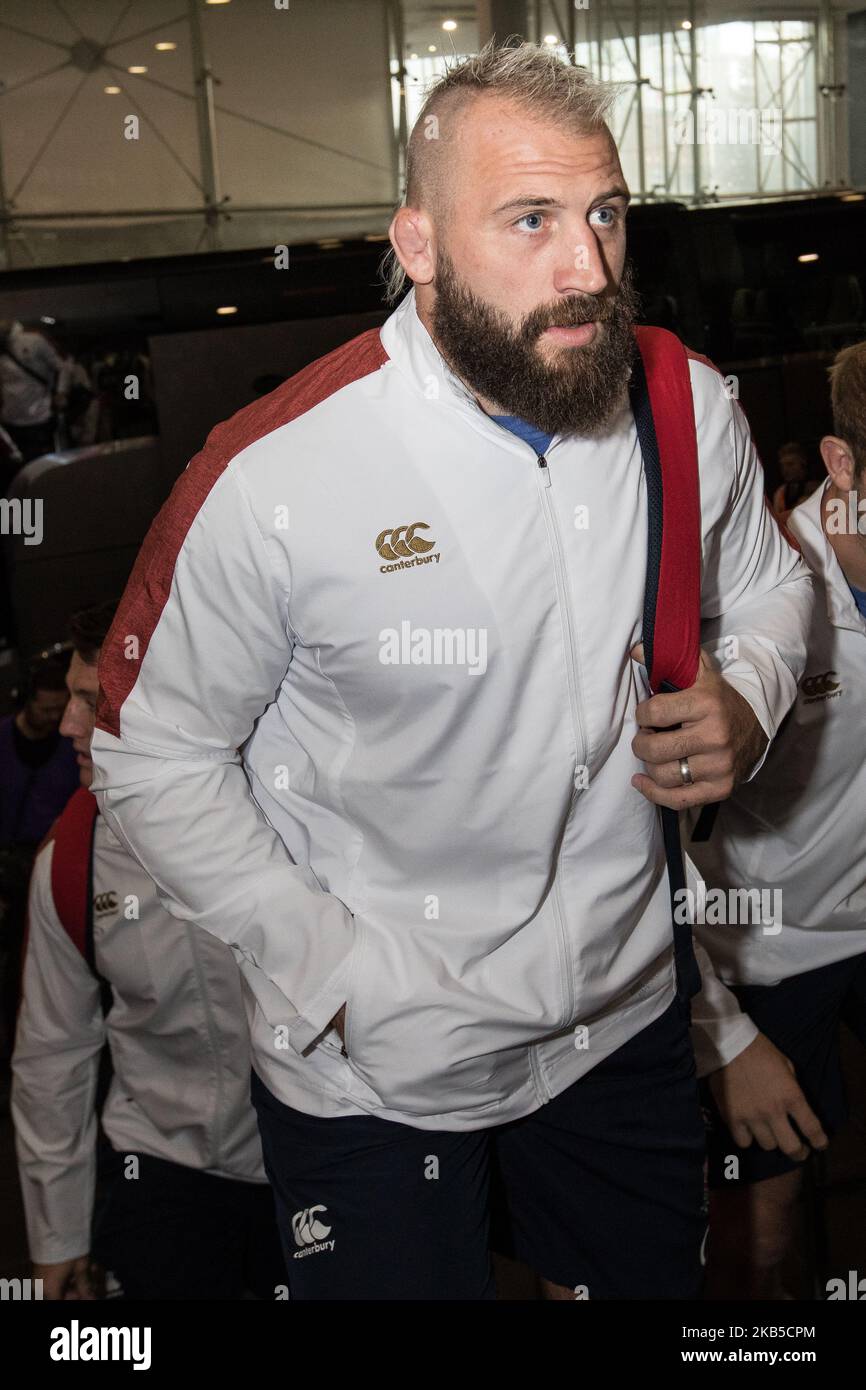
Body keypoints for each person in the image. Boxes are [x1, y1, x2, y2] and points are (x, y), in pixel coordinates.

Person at [90, 41, 812, 1301]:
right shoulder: (271, 474)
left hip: (624, 1021)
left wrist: (749, 689)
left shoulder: (680, 399)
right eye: (528, 219)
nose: (585, 268)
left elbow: (767, 583)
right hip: (374, 1072)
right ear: (415, 244)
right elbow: (147, 751)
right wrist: (334, 976)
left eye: (603, 214)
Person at [12, 601, 285, 1300]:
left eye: (91, 701)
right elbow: (54, 1055)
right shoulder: (70, 860)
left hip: (313, 1161)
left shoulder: (290, 819)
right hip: (158, 1173)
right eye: (70, 698)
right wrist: (60, 1235)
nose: (71, 724)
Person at [686, 339, 866, 1299]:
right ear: (841, 467)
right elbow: (633, 847)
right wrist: (716, 1028)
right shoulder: (749, 612)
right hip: (766, 946)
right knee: (761, 1233)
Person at [0, 652, 79, 1063]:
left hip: (42, 865)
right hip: (5, 863)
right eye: (44, 708)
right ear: (24, 701)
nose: (52, 718)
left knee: (29, 973)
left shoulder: (69, 747)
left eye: (57, 709)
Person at [0, 318, 69, 477]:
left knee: (39, 469)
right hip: (10, 421)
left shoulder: (34, 341)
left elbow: (63, 368)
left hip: (38, 418)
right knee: (15, 470)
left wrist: (61, 392)